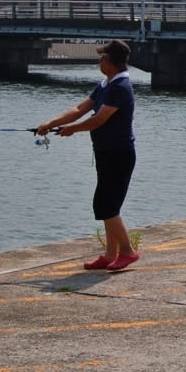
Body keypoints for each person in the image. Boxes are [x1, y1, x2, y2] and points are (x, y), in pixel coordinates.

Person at [35, 40, 140, 271]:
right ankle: (111, 254)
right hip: (105, 152)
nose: (99, 61)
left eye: (102, 58)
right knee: (108, 205)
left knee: (105, 204)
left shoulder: (120, 87)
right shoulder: (105, 85)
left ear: (110, 61)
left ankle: (128, 252)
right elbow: (80, 109)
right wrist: (51, 123)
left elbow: (99, 119)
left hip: (119, 154)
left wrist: (73, 129)